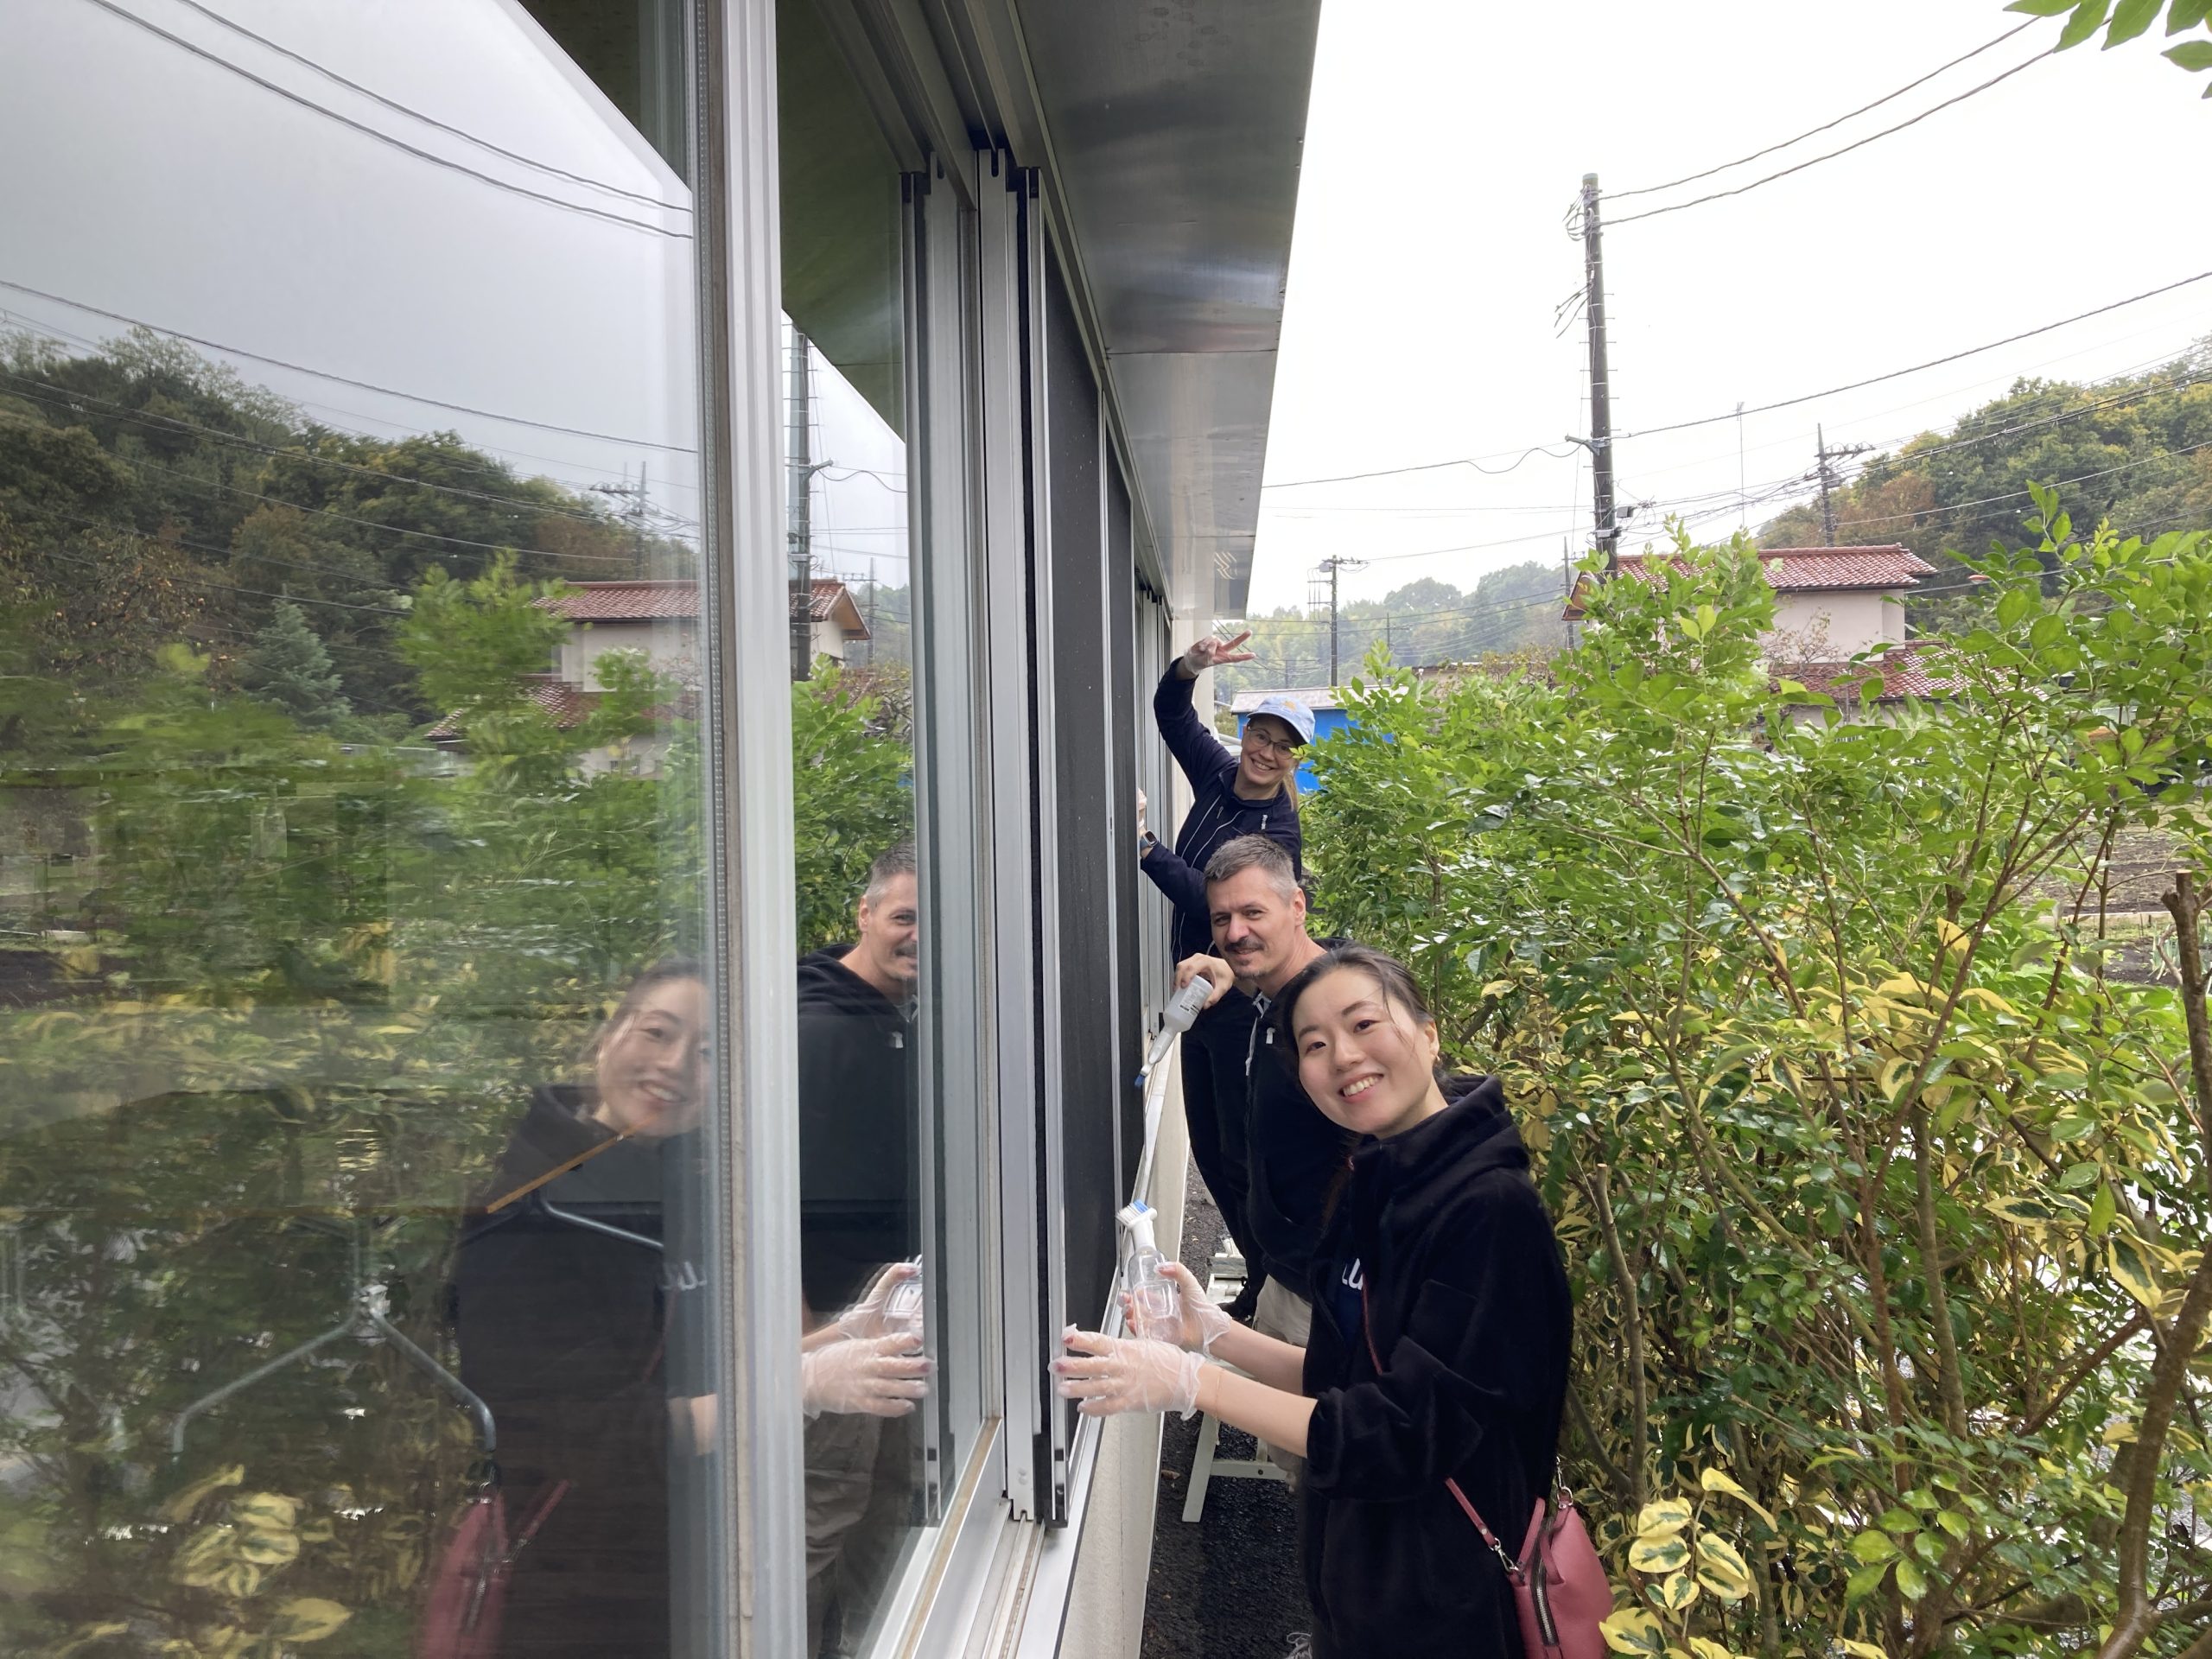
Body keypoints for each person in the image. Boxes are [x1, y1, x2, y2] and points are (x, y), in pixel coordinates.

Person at [1053, 944, 1571, 1658]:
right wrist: (1214, 1336)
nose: (1344, 1056)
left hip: (1445, 1608)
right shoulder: (1377, 1177)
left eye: (1364, 1024)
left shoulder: (1488, 1211)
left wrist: (1194, 1383)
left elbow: (1400, 1434)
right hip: (1361, 1586)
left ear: (1428, 1034)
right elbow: (1347, 1374)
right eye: (1315, 1044)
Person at [454, 957, 925, 1658]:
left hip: (695, 1560)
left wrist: (843, 1338)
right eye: (658, 1032)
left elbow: (701, 1380)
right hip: (582, 1590)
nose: (675, 1065)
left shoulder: (683, 1183)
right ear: (606, 1036)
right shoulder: (530, 1210)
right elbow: (582, 1435)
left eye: (708, 1052)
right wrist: (795, 1387)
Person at [1139, 629, 1312, 1319]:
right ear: (1245, 735)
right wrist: (1190, 666)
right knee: (1210, 1150)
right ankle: (1257, 1282)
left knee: (1242, 1152)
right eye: (1261, 735)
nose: (1267, 752)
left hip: (1238, 999)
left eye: (1284, 746)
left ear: (1294, 758)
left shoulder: (1278, 832)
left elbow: (1210, 897)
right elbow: (1171, 714)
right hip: (1195, 995)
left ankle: (1268, 1284)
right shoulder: (1217, 772)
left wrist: (1145, 848)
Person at [1171, 834, 1348, 1481]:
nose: (1236, 933)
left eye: (1254, 913)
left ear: (1297, 906)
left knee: (1337, 1477)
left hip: (1328, 1298)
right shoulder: (1276, 1003)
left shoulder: (1333, 1015)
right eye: (1222, 919)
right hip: (1285, 1276)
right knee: (1303, 1476)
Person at [796, 843, 925, 1656]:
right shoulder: (816, 1029)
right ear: (866, 915)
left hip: (892, 1318)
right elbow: (764, 1194)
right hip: (832, 1329)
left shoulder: (897, 1016)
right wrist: (805, 1337)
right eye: (905, 917)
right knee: (819, 1514)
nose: (918, 936)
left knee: (889, 1504)